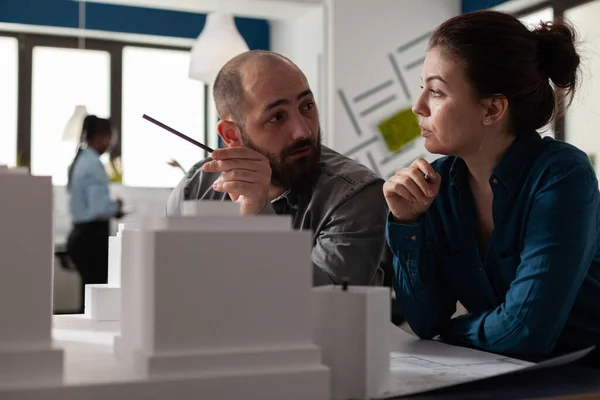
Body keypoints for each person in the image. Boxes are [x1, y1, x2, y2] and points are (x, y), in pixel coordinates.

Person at [384, 10, 600, 360]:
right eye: (421, 88)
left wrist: (453, 330)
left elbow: (524, 334)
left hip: (583, 379)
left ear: (493, 109)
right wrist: (409, 223)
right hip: (503, 376)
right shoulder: (437, 184)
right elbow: (425, 321)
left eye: (436, 92)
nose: (418, 106)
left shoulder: (562, 176)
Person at [166, 50, 389, 286]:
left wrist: (258, 217)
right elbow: (172, 284)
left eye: (307, 106)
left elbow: (329, 308)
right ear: (232, 135)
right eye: (276, 117)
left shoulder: (355, 195)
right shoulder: (196, 190)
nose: (303, 131)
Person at [66, 115, 124, 313]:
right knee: (96, 300)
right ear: (103, 137)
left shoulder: (81, 160)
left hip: (80, 235)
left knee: (89, 297)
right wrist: (115, 207)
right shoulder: (93, 164)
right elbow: (98, 208)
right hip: (91, 238)